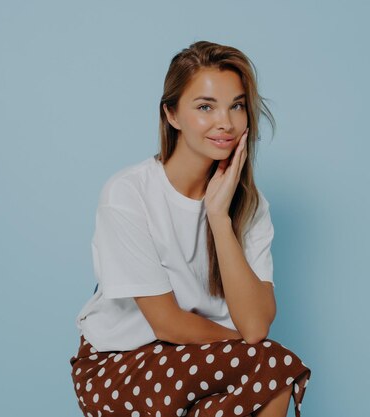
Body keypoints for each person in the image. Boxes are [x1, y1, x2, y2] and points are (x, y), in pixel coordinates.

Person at [69, 40, 311, 417]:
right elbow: (167, 322)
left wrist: (218, 217)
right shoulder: (129, 193)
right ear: (172, 115)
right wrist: (245, 349)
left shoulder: (251, 204)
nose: (225, 123)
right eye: (205, 107)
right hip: (117, 365)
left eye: (237, 106)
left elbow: (256, 323)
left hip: (204, 361)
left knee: (272, 378)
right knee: (272, 369)